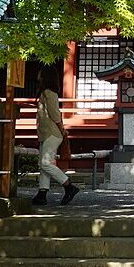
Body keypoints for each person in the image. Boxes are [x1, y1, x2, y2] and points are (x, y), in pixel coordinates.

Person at [33, 65, 79, 205]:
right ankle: (42, 193)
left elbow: (54, 114)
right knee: (43, 165)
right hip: (47, 133)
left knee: (45, 163)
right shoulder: (46, 93)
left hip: (52, 133)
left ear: (45, 76)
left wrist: (62, 129)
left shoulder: (48, 93)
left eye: (40, 73)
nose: (38, 75)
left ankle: (68, 186)